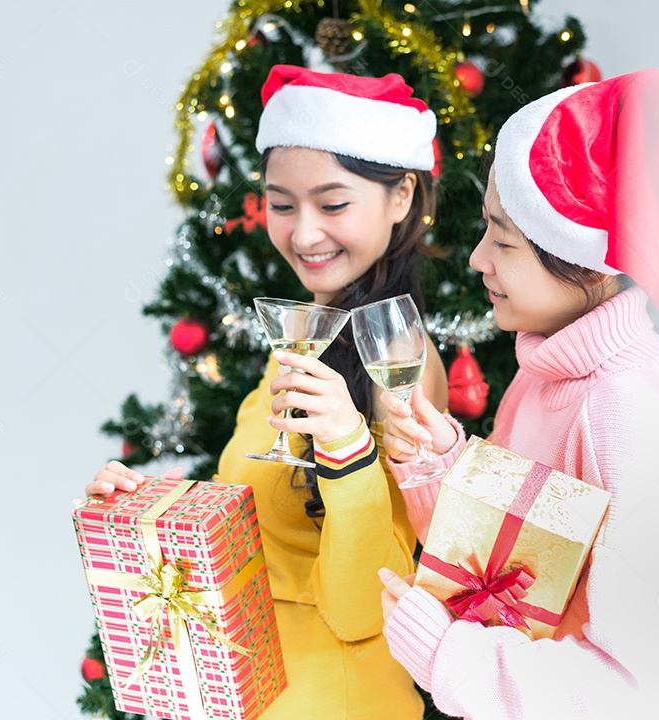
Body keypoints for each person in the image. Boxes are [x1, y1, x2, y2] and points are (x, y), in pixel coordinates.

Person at [377, 68, 659, 719]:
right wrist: (445, 464)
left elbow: (642, 689)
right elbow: (526, 561)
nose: (477, 259)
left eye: (503, 240)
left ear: (588, 265)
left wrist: (449, 658)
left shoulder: (626, 411)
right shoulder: (550, 363)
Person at [87, 65, 448, 719]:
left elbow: (366, 609)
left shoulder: (402, 368)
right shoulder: (303, 342)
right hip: (254, 690)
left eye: (332, 205)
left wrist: (348, 447)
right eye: (282, 205)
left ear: (401, 196)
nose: (303, 234)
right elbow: (267, 532)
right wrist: (149, 510)